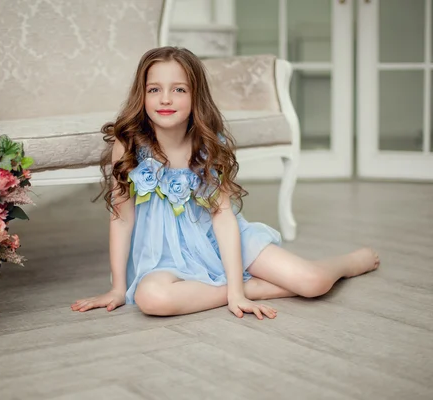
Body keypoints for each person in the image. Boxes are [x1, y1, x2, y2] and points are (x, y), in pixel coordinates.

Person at [71, 47, 379, 319]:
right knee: (151, 299)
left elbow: (223, 218)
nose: (165, 99)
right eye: (154, 90)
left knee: (313, 283)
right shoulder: (128, 145)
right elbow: (122, 220)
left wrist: (237, 291)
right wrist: (117, 289)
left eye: (179, 89)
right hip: (163, 257)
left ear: (195, 97)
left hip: (219, 242)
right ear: (142, 95)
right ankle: (249, 288)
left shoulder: (207, 144)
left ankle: (346, 263)